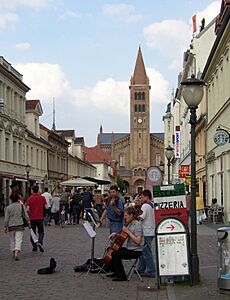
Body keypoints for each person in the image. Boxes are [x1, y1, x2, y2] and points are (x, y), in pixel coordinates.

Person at [106, 206, 144, 281]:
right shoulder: (129, 223)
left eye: (126, 215)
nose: (125, 217)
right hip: (130, 248)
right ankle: (115, 271)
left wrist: (128, 231)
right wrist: (116, 234)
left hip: (136, 250)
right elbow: (123, 234)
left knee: (115, 254)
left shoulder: (137, 225)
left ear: (131, 215)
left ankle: (122, 276)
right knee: (110, 249)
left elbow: (138, 241)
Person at [4, 194, 31, 260]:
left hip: (11, 226)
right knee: (18, 239)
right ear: (18, 199)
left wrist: (5, 226)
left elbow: (6, 219)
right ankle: (16, 252)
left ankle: (13, 252)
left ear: (11, 199)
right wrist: (29, 223)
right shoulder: (21, 206)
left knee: (12, 239)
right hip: (19, 225)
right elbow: (26, 216)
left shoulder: (8, 207)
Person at [137, 189, 156, 277]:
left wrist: (134, 215)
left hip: (146, 231)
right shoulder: (153, 205)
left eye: (142, 197)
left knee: (147, 252)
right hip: (152, 230)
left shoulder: (145, 206)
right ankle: (140, 269)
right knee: (143, 251)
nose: (140, 199)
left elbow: (142, 217)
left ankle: (151, 271)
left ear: (146, 197)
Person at [26, 185, 48, 252]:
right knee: (41, 232)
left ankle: (34, 247)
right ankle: (40, 241)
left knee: (33, 233)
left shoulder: (29, 198)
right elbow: (46, 207)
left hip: (32, 218)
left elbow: (27, 209)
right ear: (38, 190)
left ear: (32, 190)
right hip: (40, 217)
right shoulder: (42, 198)